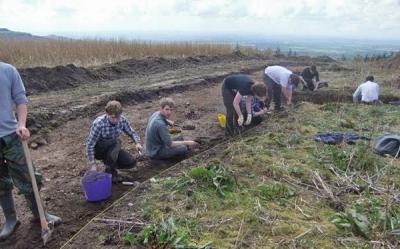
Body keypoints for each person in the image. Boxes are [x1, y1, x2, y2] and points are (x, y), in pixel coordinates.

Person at [0, 62, 61, 241]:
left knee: (28, 176)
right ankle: (11, 220)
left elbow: (20, 100)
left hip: (12, 136)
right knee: (0, 183)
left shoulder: (8, 71)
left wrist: (21, 124)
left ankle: (40, 215)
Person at [86, 100, 143, 183]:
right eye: (113, 117)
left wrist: (137, 143)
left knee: (130, 162)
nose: (116, 120)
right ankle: (110, 172)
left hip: (112, 148)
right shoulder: (99, 124)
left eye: (118, 117)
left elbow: (131, 132)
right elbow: (90, 145)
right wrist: (92, 164)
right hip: (99, 150)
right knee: (116, 144)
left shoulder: (122, 120)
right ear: (107, 113)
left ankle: (110, 165)